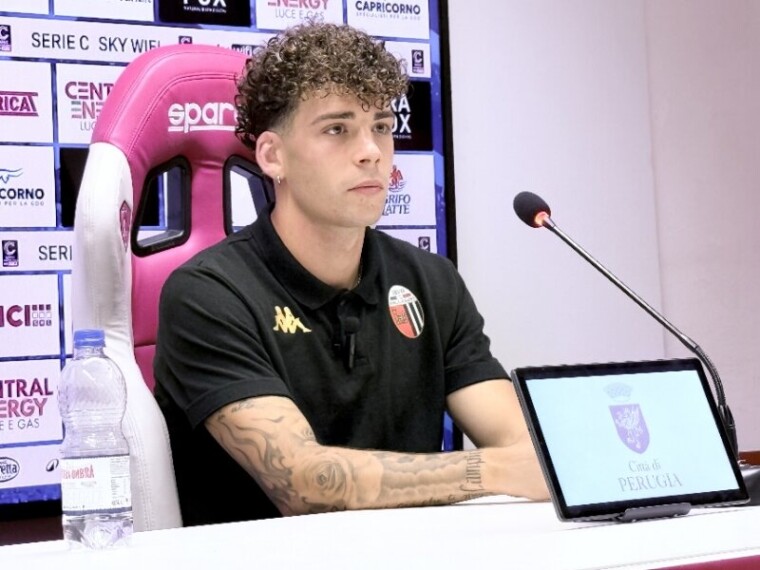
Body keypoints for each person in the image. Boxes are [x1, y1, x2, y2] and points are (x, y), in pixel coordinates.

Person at [153, 20, 549, 527]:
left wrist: (529, 462)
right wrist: (487, 471)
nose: (372, 152)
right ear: (273, 156)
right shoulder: (208, 294)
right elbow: (305, 483)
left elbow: (524, 446)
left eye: (381, 126)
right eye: (337, 129)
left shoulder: (431, 281)